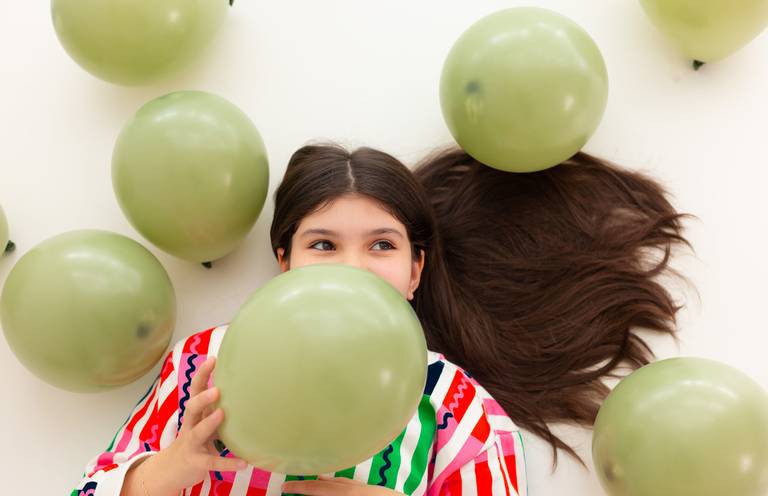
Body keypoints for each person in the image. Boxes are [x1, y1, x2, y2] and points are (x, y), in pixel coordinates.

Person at [72, 143, 692, 496]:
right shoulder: (204, 364)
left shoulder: (461, 412)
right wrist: (169, 468)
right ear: (284, 261)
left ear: (415, 271)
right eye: (322, 244)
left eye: (381, 246)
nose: (352, 268)